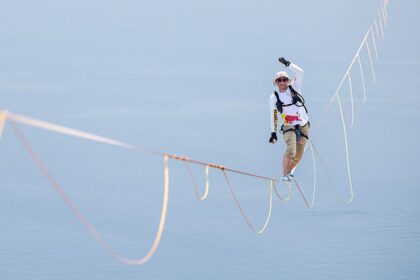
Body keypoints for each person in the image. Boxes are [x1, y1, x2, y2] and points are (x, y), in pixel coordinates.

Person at [269, 57, 309, 182]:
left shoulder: (295, 87)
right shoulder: (274, 97)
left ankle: (289, 172)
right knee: (291, 149)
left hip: (303, 125)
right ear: (276, 82)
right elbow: (274, 115)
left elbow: (300, 72)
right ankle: (285, 174)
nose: (282, 82)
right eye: (279, 80)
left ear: (288, 80)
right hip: (289, 126)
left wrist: (288, 64)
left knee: (298, 156)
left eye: (284, 79)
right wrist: (273, 133)